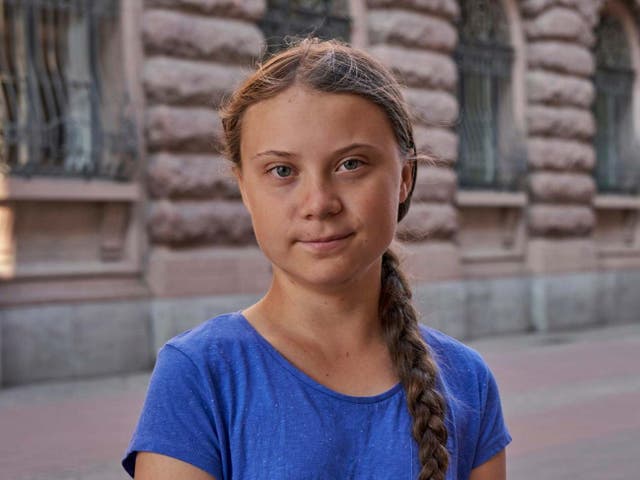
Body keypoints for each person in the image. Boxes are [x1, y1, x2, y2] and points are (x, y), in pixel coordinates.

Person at [122, 38, 511, 480]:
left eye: (351, 165)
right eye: (282, 171)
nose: (319, 203)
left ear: (403, 179)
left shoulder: (466, 380)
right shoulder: (200, 376)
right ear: (244, 188)